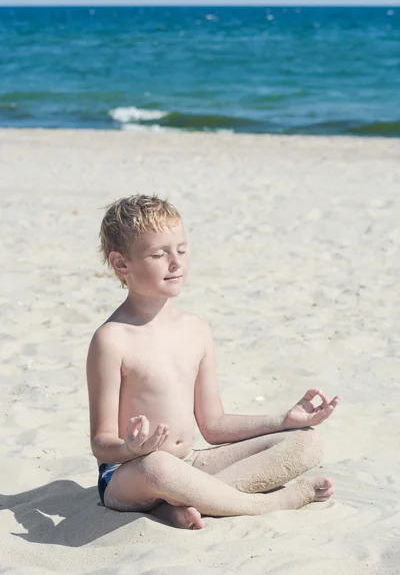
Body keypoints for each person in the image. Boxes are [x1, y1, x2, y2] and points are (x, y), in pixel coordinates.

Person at [86, 194, 340, 530]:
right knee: (158, 466)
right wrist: (129, 447)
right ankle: (268, 503)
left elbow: (213, 425)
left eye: (181, 249)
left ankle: (180, 504)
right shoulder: (112, 339)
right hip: (130, 474)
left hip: (190, 465)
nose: (175, 262)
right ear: (121, 264)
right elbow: (101, 444)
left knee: (307, 440)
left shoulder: (196, 330)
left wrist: (284, 419)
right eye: (159, 254)